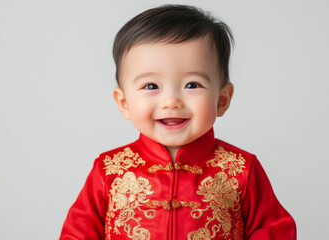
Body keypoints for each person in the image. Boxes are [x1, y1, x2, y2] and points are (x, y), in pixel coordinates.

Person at [60, 4, 296, 240]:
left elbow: (274, 232)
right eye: (151, 86)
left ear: (222, 100)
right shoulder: (109, 170)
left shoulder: (242, 170)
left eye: (192, 85)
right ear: (124, 103)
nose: (171, 101)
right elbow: (77, 233)